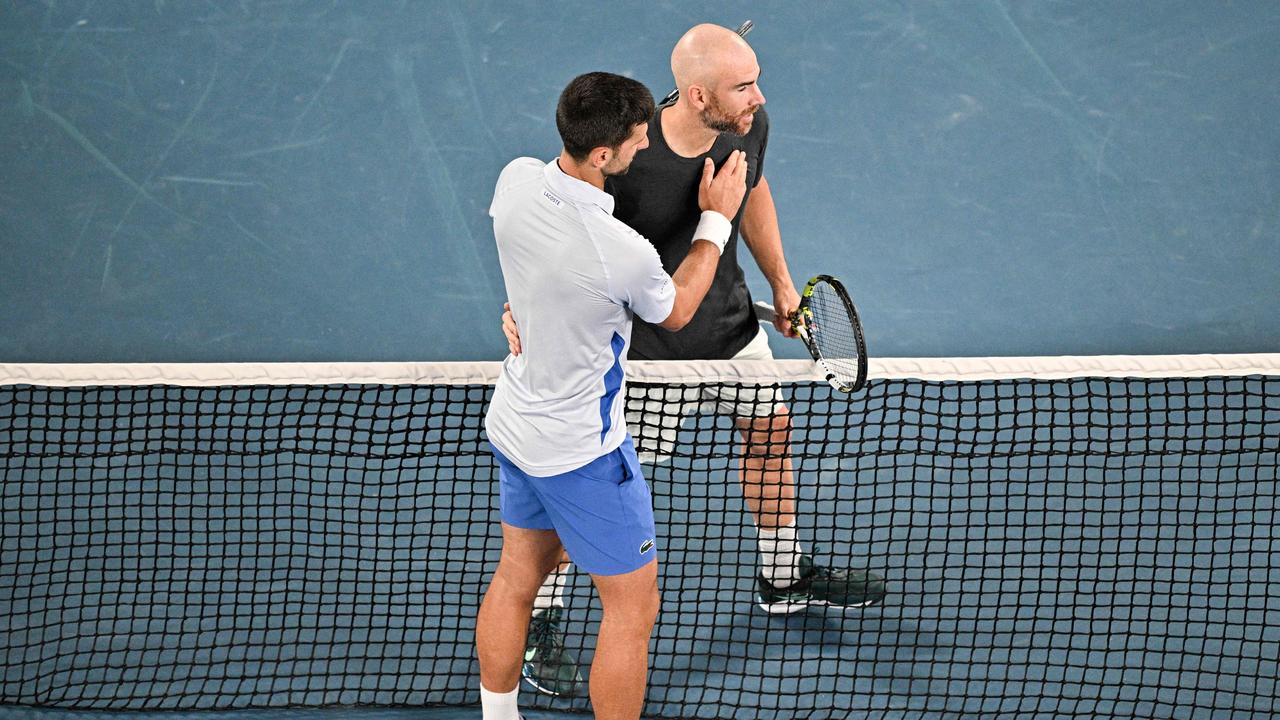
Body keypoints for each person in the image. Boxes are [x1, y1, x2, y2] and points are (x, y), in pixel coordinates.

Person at [503, 24, 887, 698]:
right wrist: (526, 310)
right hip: (648, 361)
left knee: (770, 434)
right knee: (587, 496)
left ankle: (783, 574)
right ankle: (542, 617)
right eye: (743, 87)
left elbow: (753, 192)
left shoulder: (748, 123)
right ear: (700, 94)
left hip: (733, 329)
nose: (758, 97)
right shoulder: (628, 155)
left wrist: (780, 282)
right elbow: (561, 237)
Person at [476, 71, 748, 720]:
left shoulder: (514, 181)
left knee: (517, 580)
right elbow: (678, 309)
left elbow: (528, 266)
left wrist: (520, 311)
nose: (646, 144)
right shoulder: (617, 250)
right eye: (636, 137)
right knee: (633, 611)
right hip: (582, 457)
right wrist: (714, 221)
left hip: (514, 427)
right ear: (603, 155)